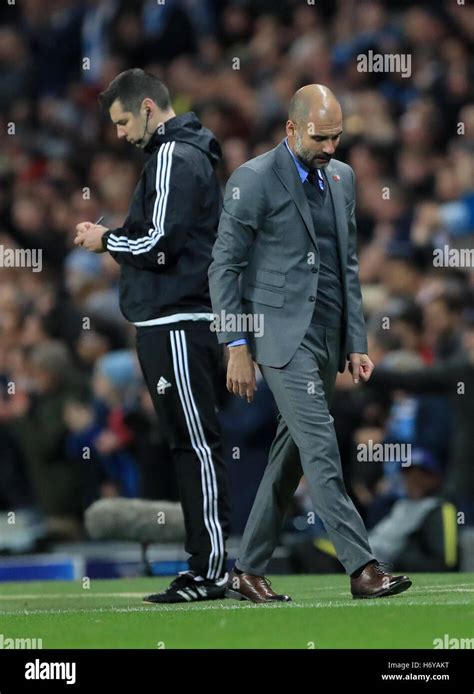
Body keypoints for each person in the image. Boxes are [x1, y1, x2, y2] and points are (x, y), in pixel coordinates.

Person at [209, 84, 412, 602]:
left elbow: (345, 265)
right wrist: (235, 344)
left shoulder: (341, 178)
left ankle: (247, 569)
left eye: (337, 137)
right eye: (320, 137)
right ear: (291, 129)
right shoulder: (252, 179)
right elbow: (224, 266)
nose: (330, 148)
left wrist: (356, 340)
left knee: (290, 456)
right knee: (320, 444)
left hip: (325, 334)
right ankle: (362, 567)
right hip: (276, 336)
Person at [75, 68, 230, 603]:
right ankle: (208, 565)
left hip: (178, 322)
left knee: (196, 447)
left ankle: (211, 570)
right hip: (173, 322)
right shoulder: (185, 155)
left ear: (146, 107)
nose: (119, 135)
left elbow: (160, 245)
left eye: (122, 122)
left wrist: (106, 240)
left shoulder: (171, 156)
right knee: (190, 445)